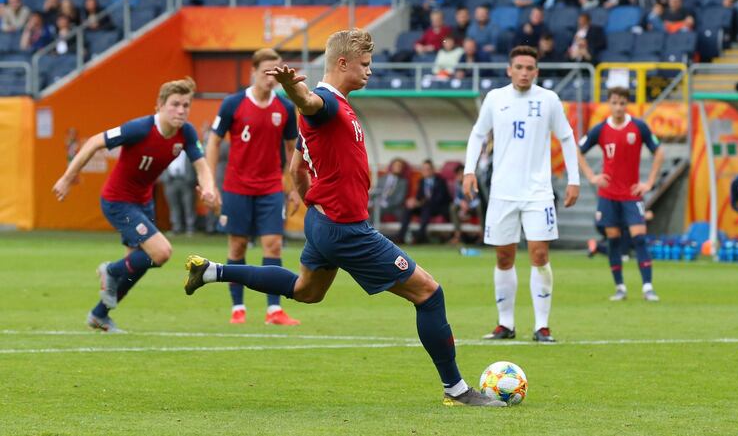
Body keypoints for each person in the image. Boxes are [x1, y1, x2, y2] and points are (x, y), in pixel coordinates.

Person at [183, 29, 505, 407]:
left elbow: (296, 166)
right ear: (342, 63)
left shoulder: (338, 107)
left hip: (324, 225)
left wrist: (314, 206)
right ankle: (457, 389)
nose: (370, 71)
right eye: (365, 65)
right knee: (429, 293)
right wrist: (293, 89)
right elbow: (308, 101)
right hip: (347, 230)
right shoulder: (326, 103)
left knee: (306, 291)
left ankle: (213, 272)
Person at [51, 77, 217, 333]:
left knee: (136, 268)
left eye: (186, 105)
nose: (181, 111)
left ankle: (99, 315)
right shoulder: (139, 129)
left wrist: (208, 188)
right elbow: (95, 142)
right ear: (159, 106)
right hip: (118, 201)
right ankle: (110, 270)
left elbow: (202, 165)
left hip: (143, 203)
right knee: (160, 253)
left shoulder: (186, 133)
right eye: (175, 104)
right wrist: (67, 177)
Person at [462, 45, 581, 343]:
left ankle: (542, 326)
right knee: (504, 257)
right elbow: (478, 135)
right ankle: (506, 324)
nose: (524, 73)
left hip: (538, 192)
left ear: (537, 72)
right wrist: (468, 170)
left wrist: (574, 180)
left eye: (530, 68)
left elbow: (567, 138)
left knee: (539, 254)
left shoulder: (548, 100)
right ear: (509, 70)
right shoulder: (495, 99)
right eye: (519, 67)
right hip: (503, 192)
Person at [207, 48, 302, 326]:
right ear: (253, 72)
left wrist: (295, 188)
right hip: (236, 188)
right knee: (237, 247)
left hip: (271, 188)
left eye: (275, 74)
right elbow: (214, 141)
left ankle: (274, 310)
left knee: (273, 245)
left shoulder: (284, 108)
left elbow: (291, 151)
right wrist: (209, 181)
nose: (270, 80)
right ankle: (238, 308)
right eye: (265, 73)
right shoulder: (233, 104)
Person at [578, 87, 664, 302]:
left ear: (627, 105)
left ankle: (647, 287)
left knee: (639, 238)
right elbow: (576, 149)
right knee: (614, 240)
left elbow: (659, 151)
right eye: (614, 103)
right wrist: (591, 176)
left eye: (622, 103)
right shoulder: (600, 130)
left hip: (632, 194)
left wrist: (650, 182)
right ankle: (620, 287)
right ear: (609, 104)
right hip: (608, 195)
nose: (618, 107)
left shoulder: (639, 127)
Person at [397, 159, 452, 244]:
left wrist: (421, 203)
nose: (425, 171)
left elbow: (439, 199)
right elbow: (419, 196)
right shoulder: (421, 181)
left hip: (438, 208)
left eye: (428, 169)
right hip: (424, 207)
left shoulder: (440, 181)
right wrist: (414, 201)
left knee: (427, 207)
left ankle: (420, 236)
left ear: (433, 170)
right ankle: (401, 236)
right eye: (423, 169)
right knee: (409, 208)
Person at [160, 149, 197, 235]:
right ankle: (176, 227)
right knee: (173, 206)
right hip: (170, 181)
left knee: (189, 205)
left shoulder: (189, 152)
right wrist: (164, 178)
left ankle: (190, 228)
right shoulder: (166, 152)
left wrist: (192, 180)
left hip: (186, 182)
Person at [449, 164, 483, 244]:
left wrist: (469, 205)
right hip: (464, 207)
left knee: (480, 207)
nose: (460, 176)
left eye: (462, 174)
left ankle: (482, 234)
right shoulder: (457, 183)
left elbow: (478, 198)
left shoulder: (473, 182)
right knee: (453, 207)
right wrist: (462, 203)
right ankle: (457, 235)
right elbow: (456, 198)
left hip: (474, 207)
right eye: (458, 174)